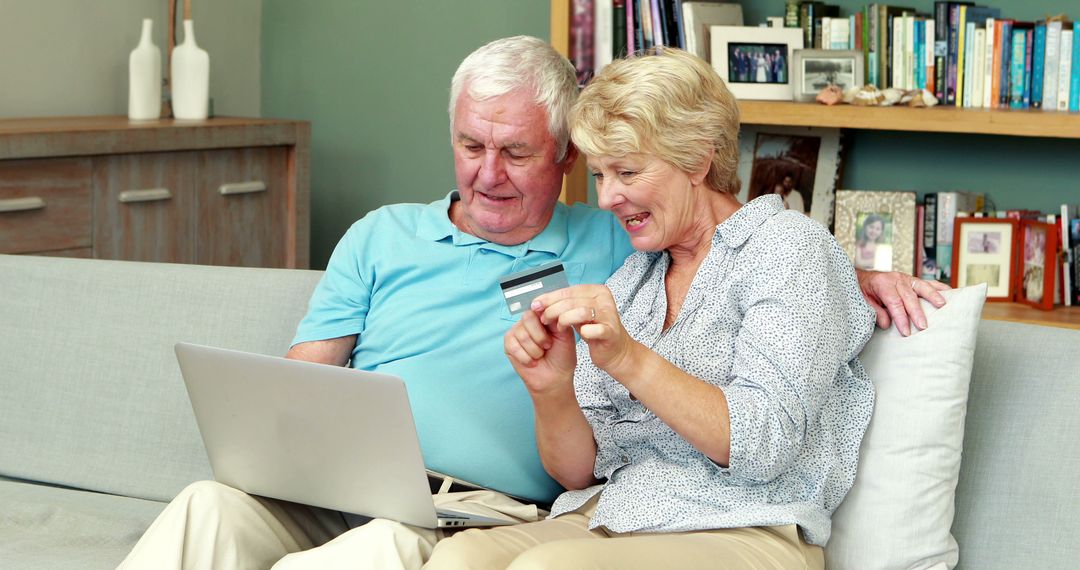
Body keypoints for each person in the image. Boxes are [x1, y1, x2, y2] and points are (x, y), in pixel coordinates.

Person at [119, 37, 945, 570]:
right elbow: (586, 462)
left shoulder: (622, 245)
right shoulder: (632, 271)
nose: (486, 172)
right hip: (565, 509)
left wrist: (861, 276)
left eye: (515, 152)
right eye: (470, 147)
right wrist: (555, 387)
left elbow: (766, 260)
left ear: (557, 161)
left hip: (500, 512)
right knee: (205, 509)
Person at [425, 46, 874, 570]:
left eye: (628, 172)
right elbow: (579, 473)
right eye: (599, 175)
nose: (609, 197)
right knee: (461, 558)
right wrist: (550, 389)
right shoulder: (636, 278)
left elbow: (764, 444)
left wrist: (629, 359)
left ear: (699, 159)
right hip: (612, 513)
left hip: (741, 527)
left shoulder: (786, 249)